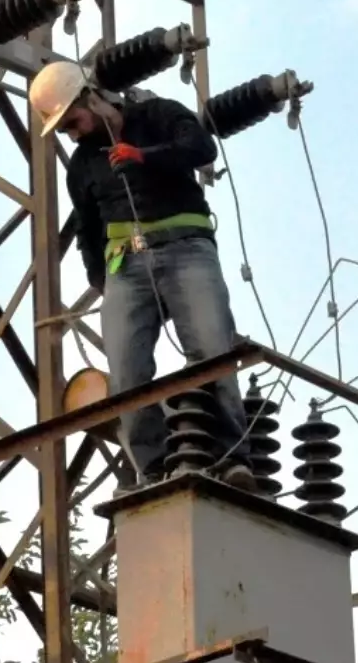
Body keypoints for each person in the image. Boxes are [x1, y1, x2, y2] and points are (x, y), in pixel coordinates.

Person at [29, 62, 257, 494]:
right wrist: (102, 279)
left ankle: (232, 459)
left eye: (72, 122)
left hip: (187, 247)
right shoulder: (81, 166)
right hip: (125, 268)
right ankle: (150, 468)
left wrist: (144, 156)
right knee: (126, 375)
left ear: (89, 98)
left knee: (212, 351)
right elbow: (87, 228)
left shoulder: (156, 116)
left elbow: (201, 148)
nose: (72, 134)